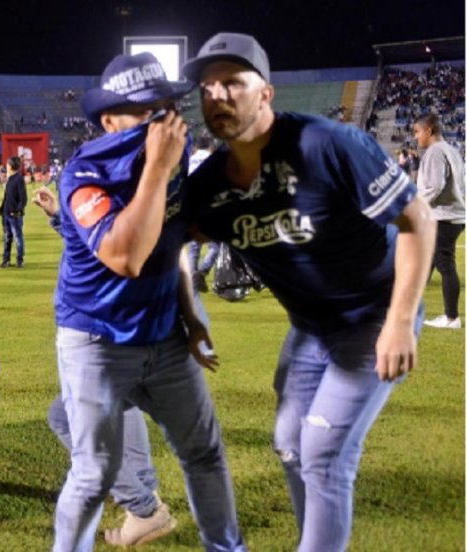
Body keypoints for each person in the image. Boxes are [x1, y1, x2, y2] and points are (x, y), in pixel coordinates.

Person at [182, 32, 436, 552]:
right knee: (290, 446)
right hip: (312, 327)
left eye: (233, 82)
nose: (217, 96)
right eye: (207, 88)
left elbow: (419, 219)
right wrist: (191, 315)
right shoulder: (209, 185)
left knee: (322, 452)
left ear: (266, 93)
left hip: (375, 314)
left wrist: (399, 320)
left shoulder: (328, 144)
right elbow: (170, 247)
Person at [52, 51, 245, 552]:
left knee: (204, 453)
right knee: (94, 474)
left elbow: (172, 239)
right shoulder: (83, 173)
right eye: (144, 111)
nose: (159, 121)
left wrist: (191, 316)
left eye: (165, 108)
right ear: (108, 118)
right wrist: (157, 169)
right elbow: (127, 256)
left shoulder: (172, 154)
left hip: (165, 337)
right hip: (97, 341)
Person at [33, 185, 184, 547]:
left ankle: (144, 506)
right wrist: (58, 217)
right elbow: (93, 243)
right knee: (123, 407)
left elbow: (107, 252)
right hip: (133, 338)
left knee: (66, 417)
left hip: (109, 338)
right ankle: (143, 498)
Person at [413, 112, 465, 329]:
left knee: (445, 263)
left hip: (444, 216)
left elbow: (434, 186)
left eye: (417, 132)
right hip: (452, 214)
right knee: (429, 261)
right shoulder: (451, 149)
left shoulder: (435, 152)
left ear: (429, 131)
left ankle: (451, 318)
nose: (416, 137)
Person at [186, 134, 219, 292]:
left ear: (197, 147)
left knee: (194, 246)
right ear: (211, 147)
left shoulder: (189, 160)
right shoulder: (214, 160)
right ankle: (202, 272)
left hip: (191, 207)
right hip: (209, 207)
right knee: (215, 245)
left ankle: (192, 276)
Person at [0, 155, 26, 268]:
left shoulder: (19, 179)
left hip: (14, 215)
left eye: (7, 164)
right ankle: (6, 260)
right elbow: (7, 196)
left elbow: (23, 198)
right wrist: (2, 208)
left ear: (10, 166)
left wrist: (17, 211)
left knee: (17, 237)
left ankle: (19, 260)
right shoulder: (10, 179)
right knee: (7, 237)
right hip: (6, 213)